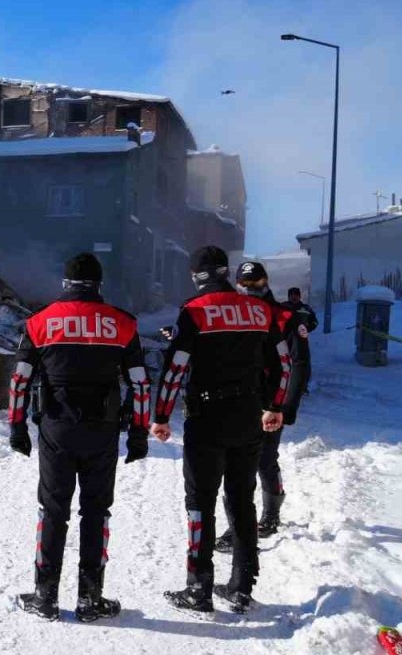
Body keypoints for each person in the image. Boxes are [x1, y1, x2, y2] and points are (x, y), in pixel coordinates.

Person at [8, 253, 152, 622]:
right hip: (102, 431)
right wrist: (138, 433)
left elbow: (20, 378)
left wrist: (17, 426)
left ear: (65, 284)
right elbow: (139, 383)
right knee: (96, 511)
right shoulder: (123, 324)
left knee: (53, 511)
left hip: (56, 429)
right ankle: (90, 599)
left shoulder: (40, 322)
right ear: (98, 285)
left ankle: (45, 596)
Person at [152, 246, 290, 614]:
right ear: (226, 272)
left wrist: (161, 415)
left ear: (197, 275)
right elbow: (285, 364)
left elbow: (176, 367)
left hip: (207, 416)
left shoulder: (194, 311)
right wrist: (274, 405)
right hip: (248, 415)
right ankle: (242, 587)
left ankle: (198, 589)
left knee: (200, 502)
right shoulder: (261, 310)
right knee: (242, 500)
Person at [215, 263, 310, 551]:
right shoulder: (230, 314)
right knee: (235, 465)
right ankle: (240, 524)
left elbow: (300, 365)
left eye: (256, 281)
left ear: (266, 281)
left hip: (270, 402)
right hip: (235, 401)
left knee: (263, 459)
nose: (251, 287)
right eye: (245, 282)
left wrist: (284, 407)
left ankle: (268, 517)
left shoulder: (286, 317)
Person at [283, 287, 317, 393]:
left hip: (301, 341)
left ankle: (303, 387)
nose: (294, 297)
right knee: (284, 363)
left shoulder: (306, 308)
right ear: (288, 296)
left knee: (303, 364)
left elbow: (315, 322)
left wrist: (307, 329)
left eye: (296, 295)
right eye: (291, 295)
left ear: (299, 296)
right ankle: (283, 386)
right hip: (285, 340)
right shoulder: (282, 307)